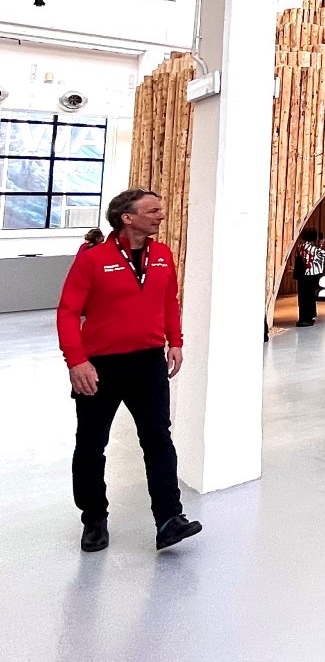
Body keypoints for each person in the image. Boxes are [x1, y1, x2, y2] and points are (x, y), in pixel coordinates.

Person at [56, 188, 202, 552]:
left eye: (160, 210)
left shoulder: (162, 255)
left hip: (148, 363)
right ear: (127, 217)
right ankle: (93, 519)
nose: (160, 216)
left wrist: (175, 341)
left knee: (158, 440)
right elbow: (68, 312)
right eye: (152, 211)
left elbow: (169, 301)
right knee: (91, 445)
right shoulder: (93, 259)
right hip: (99, 366)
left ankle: (169, 519)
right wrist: (76, 360)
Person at [293, 227, 325, 327]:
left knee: (302, 297)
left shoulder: (300, 247)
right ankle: (307, 318)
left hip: (301, 275)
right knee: (309, 296)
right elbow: (322, 256)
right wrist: (320, 245)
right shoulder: (314, 249)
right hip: (310, 274)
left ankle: (303, 318)